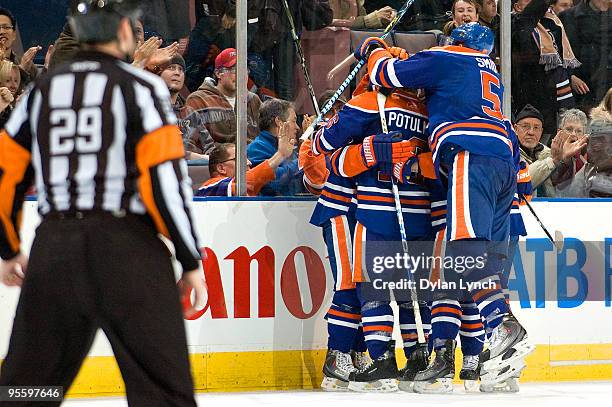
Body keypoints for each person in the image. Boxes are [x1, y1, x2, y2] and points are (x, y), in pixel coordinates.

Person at [0, 1, 205, 406]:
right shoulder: (140, 88)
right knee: (162, 390)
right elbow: (165, 182)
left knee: (24, 389)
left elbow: (6, 172)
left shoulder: (43, 90)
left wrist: (8, 246)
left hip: (55, 248)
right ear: (126, 33)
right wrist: (190, 258)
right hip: (127, 250)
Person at [360, 22, 534, 391]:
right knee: (485, 257)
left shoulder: (447, 56)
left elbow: (384, 74)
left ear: (455, 42)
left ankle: (502, 326)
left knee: (462, 251)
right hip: (504, 159)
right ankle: (501, 358)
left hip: (470, 155)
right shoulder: (491, 71)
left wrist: (373, 45)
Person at [511, 0, 583, 141]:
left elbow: (562, 59)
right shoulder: (514, 23)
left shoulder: (553, 22)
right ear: (517, 6)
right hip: (528, 98)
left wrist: (570, 76)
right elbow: (526, 22)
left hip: (555, 97)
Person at [184, 47, 261, 150]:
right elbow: (191, 145)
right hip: (216, 163)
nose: (241, 75)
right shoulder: (198, 100)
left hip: (253, 162)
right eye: (234, 70)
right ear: (218, 73)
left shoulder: (253, 100)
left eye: (245, 70)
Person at [195, 124, 294, 197]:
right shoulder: (209, 188)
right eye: (241, 159)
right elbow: (242, 183)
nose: (249, 163)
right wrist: (279, 155)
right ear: (221, 168)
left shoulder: (249, 188)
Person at [515, 104, 587, 196]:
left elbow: (558, 185)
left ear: (541, 131)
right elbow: (519, 183)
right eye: (525, 126)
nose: (531, 132)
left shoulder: (548, 153)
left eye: (536, 128)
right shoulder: (507, 154)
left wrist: (565, 161)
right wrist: (554, 160)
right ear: (515, 129)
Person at [559, 0, 610, 112]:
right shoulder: (567, 17)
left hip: (606, 88)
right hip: (577, 90)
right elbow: (559, 51)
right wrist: (570, 76)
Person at [247, 98, 304, 196]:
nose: (297, 127)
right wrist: (302, 161)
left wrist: (308, 147)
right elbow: (272, 183)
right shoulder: (256, 148)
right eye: (294, 121)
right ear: (279, 121)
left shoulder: (289, 148)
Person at [0, 7, 41, 86]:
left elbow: (38, 93)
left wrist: (46, 67)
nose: (1, 32)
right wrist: (21, 71)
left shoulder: (28, 65)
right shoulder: (24, 65)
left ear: (14, 34)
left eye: (6, 27)